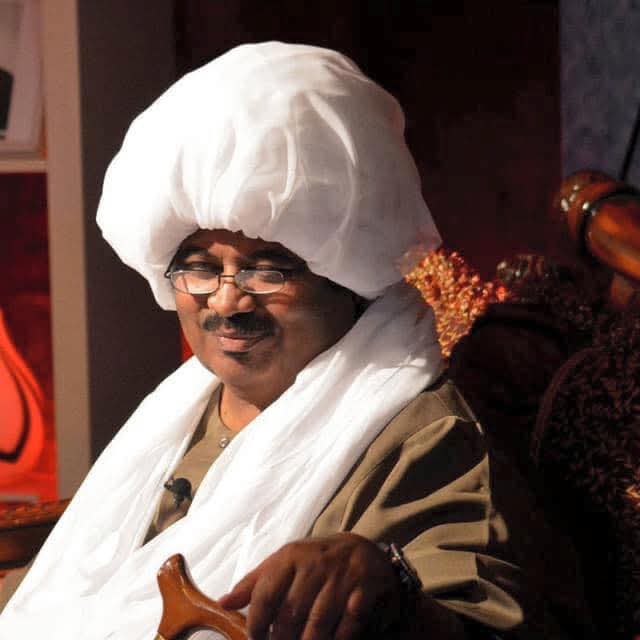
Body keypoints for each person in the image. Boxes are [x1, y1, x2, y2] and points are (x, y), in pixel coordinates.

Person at [0, 42, 536, 639]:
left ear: (346, 275)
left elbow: (484, 623)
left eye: (268, 270)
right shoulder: (180, 408)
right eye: (200, 268)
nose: (227, 302)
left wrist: (389, 587)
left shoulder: (424, 437)